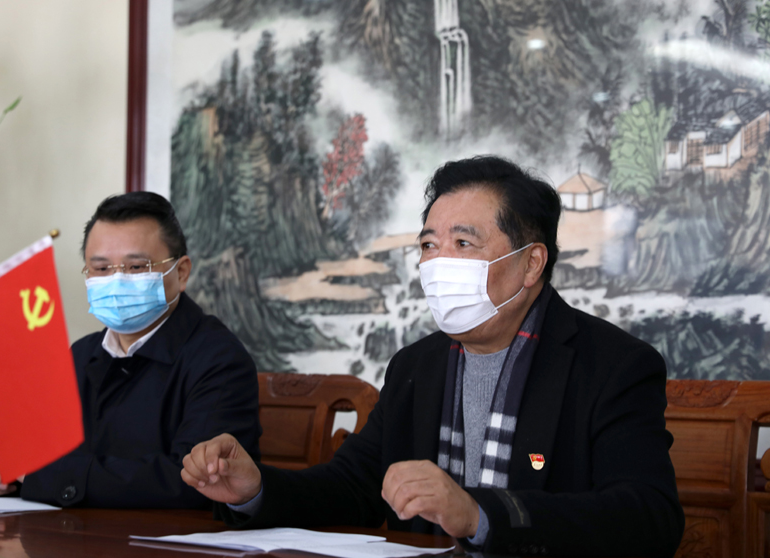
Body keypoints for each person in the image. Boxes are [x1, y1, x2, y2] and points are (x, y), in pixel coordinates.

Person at [181, 156, 685, 556]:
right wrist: (254, 490)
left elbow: (648, 518)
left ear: (531, 263)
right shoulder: (415, 366)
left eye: (463, 242)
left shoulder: (613, 365)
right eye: (428, 245)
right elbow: (353, 488)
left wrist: (478, 514)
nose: (439, 262)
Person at [0, 192, 261, 508]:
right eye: (101, 269)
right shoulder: (79, 355)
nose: (117, 280)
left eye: (136, 266)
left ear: (181, 273)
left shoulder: (219, 360)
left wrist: (46, 475)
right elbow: (30, 455)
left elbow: (199, 482)